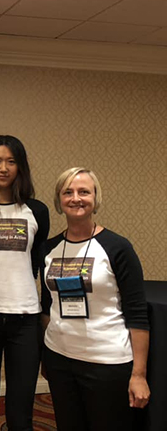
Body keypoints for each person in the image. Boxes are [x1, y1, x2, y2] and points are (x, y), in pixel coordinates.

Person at [41, 167, 150, 431]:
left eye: (84, 191)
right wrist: (46, 356)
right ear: (59, 200)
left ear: (95, 198)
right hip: (60, 359)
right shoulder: (49, 249)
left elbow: (137, 313)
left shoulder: (118, 247)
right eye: (68, 192)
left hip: (107, 363)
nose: (76, 198)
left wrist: (139, 374)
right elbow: (47, 306)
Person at [0, 135, 49, 431]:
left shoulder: (37, 211)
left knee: (21, 404)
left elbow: (36, 263)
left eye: (11, 161)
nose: (3, 168)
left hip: (25, 318)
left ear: (20, 167)